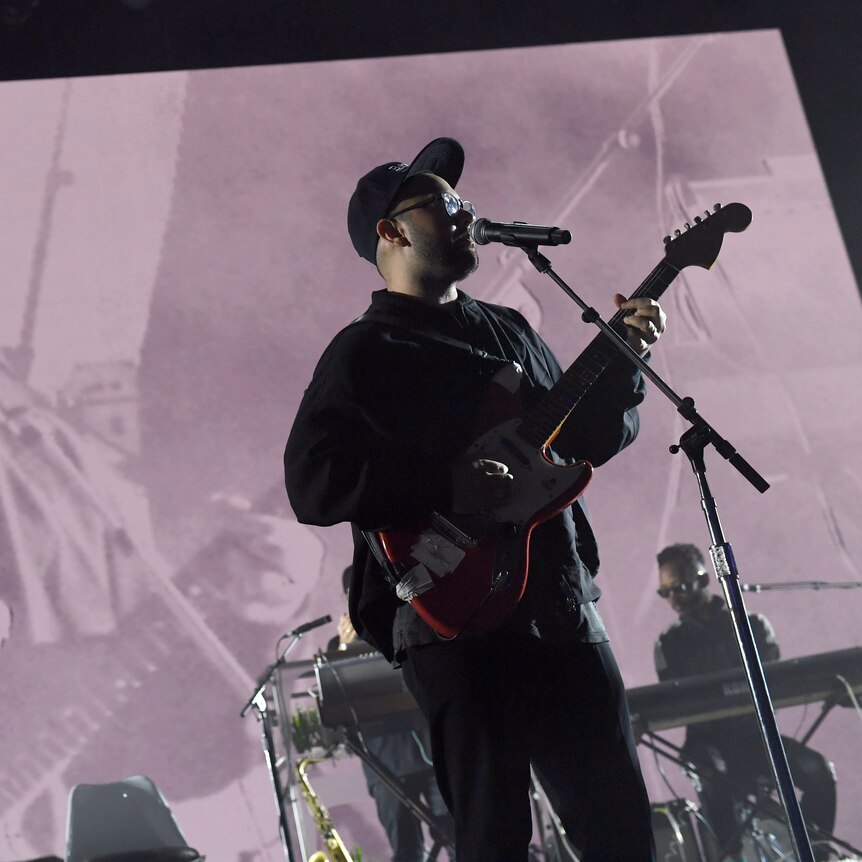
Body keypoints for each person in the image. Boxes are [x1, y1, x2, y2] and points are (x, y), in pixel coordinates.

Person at [284, 137, 666, 862]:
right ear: (390, 232)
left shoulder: (512, 330)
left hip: (558, 605)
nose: (466, 213)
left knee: (619, 833)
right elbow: (313, 482)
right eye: (443, 203)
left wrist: (626, 369)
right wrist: (444, 484)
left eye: (464, 202)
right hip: (454, 623)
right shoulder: (364, 352)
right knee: (494, 839)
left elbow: (588, 440)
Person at [653, 542, 838, 862]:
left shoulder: (751, 625)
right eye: (665, 592)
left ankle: (817, 855)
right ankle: (732, 857)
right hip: (706, 742)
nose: (675, 599)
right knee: (713, 773)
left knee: (818, 770)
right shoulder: (668, 645)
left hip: (757, 738)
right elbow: (676, 703)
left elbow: (776, 684)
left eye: (681, 587)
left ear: (704, 578)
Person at [328, 567, 453, 862]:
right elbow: (342, 702)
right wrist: (347, 648)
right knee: (406, 850)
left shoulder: (407, 623)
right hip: (383, 761)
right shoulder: (338, 647)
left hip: (431, 751)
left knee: (456, 833)